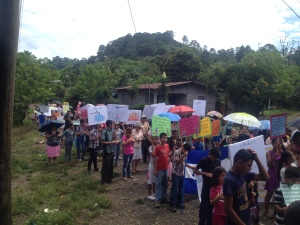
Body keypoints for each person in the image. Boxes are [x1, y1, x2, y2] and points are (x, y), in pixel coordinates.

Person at [223, 149, 269, 225]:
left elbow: (265, 177)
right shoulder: (229, 180)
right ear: (240, 163)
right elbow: (228, 209)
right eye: (249, 165)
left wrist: (256, 158)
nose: (250, 168)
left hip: (246, 218)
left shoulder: (243, 174)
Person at [193, 148, 221, 225]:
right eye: (214, 157)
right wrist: (205, 173)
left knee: (211, 206)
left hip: (214, 186)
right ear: (210, 154)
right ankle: (201, 222)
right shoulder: (204, 160)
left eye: (216, 158)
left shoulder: (218, 161)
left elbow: (220, 172)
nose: (214, 159)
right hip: (206, 185)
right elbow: (195, 171)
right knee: (203, 206)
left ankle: (210, 222)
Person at [264, 138, 284, 219]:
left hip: (280, 175)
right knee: (269, 193)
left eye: (279, 143)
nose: (278, 144)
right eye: (276, 143)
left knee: (278, 194)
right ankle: (266, 211)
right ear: (273, 144)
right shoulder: (269, 152)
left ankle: (276, 212)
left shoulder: (283, 153)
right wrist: (275, 154)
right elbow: (269, 164)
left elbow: (285, 160)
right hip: (272, 174)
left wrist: (280, 151)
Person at [169, 142, 192, 212]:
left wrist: (192, 167)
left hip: (182, 173)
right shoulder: (176, 152)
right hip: (176, 173)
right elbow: (178, 162)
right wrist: (183, 156)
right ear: (183, 148)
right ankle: (172, 204)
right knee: (175, 189)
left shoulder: (185, 153)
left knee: (181, 189)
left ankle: (179, 202)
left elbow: (184, 163)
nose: (186, 152)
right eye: (186, 150)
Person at [153, 132, 171, 208]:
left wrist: (172, 152)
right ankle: (157, 200)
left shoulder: (167, 146)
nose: (165, 139)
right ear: (160, 139)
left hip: (165, 168)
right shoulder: (157, 147)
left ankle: (163, 197)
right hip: (159, 168)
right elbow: (155, 158)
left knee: (165, 184)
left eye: (166, 138)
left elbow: (168, 154)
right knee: (158, 184)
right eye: (164, 138)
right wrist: (155, 169)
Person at [101, 120, 118, 185]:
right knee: (106, 166)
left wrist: (115, 140)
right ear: (110, 124)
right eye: (112, 124)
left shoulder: (112, 131)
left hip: (111, 150)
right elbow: (102, 142)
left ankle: (109, 179)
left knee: (111, 165)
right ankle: (103, 181)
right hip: (106, 151)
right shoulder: (104, 131)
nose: (113, 125)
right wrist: (111, 143)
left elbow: (113, 139)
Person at [147, 135, 159, 200]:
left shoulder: (159, 146)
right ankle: (149, 194)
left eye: (156, 139)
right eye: (154, 139)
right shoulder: (150, 147)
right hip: (152, 165)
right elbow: (153, 155)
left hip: (158, 165)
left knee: (155, 180)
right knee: (151, 179)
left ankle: (154, 193)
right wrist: (154, 147)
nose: (155, 141)